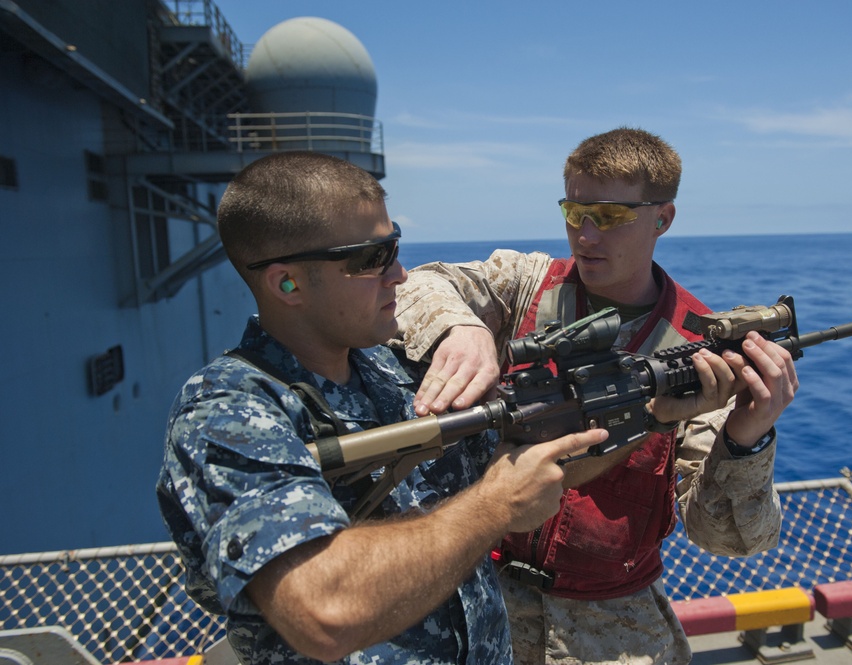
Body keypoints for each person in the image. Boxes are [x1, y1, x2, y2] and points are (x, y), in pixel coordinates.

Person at [155, 151, 610, 665]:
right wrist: (493, 507)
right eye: (373, 258)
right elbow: (322, 610)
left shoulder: (398, 373)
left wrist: (654, 414)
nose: (400, 274)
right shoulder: (229, 412)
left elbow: (524, 468)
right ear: (287, 283)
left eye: (395, 248)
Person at [391, 128, 799, 664]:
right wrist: (460, 329)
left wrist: (746, 438)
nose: (584, 234)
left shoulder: (698, 350)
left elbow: (728, 537)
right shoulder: (526, 284)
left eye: (609, 216)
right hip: (481, 602)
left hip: (615, 632)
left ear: (663, 218)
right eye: (573, 210)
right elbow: (421, 283)